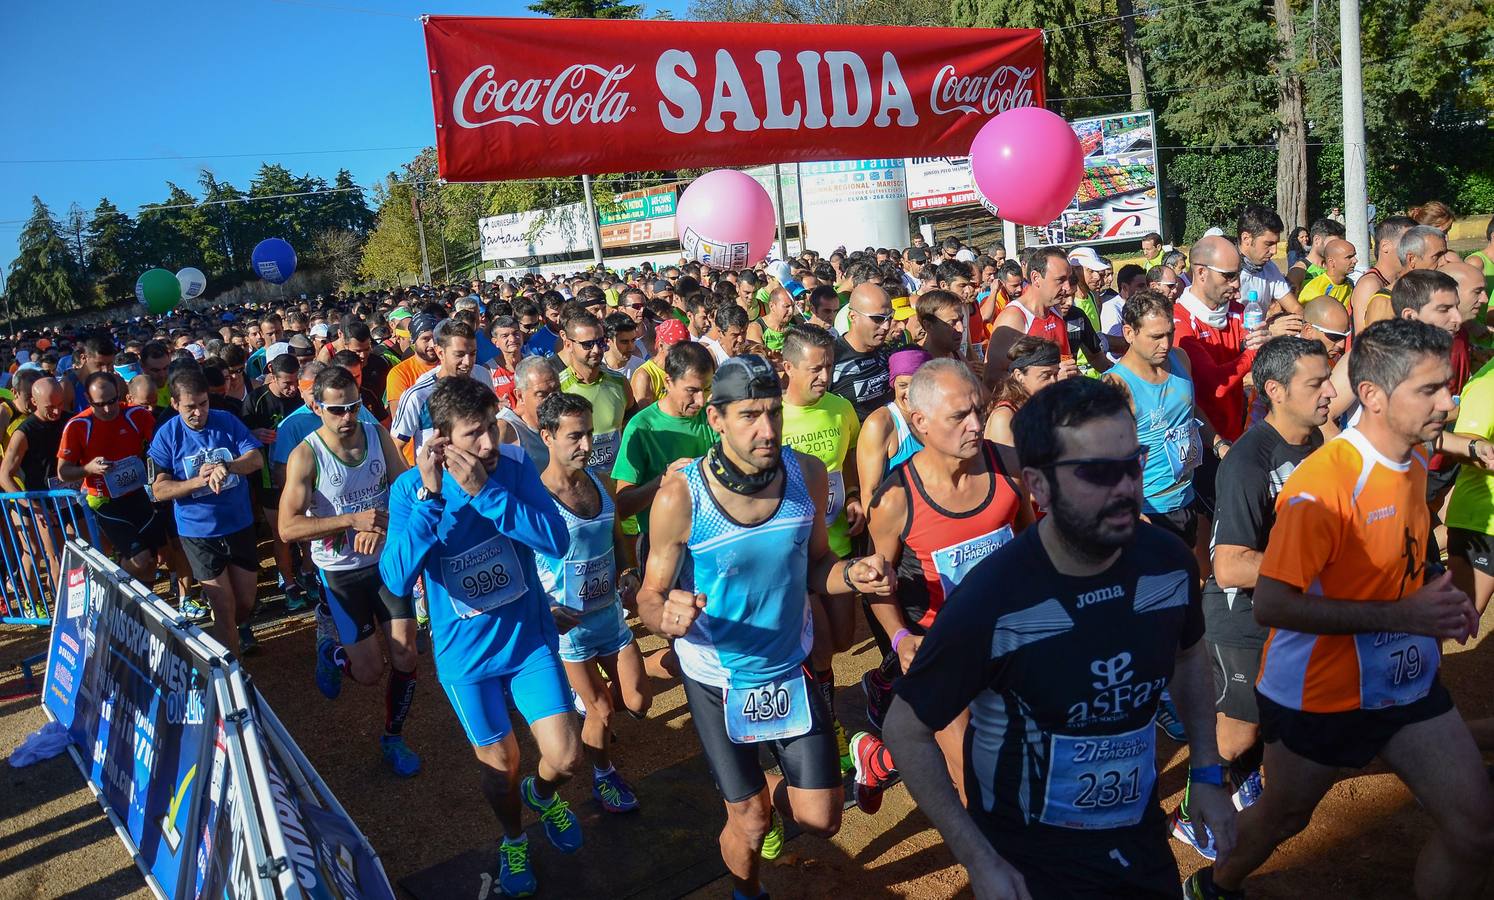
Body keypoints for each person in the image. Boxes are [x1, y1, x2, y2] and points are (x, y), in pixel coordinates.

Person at [884, 376, 1235, 900]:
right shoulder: (992, 599)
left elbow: (1188, 659)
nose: (1123, 488)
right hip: (1028, 859)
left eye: (1131, 462)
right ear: (1038, 486)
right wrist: (978, 858)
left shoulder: (1168, 563)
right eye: (1095, 472)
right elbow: (905, 729)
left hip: (1137, 836)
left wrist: (1206, 771)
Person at [1189, 317, 1494, 900]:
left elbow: (1395, 558)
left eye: (1445, 387)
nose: (1449, 402)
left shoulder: (1408, 461)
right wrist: (1403, 616)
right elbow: (1273, 603)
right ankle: (1214, 884)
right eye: (1429, 390)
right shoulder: (1323, 484)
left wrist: (1436, 588)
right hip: (1319, 694)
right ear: (1375, 397)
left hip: (1406, 682)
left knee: (1475, 829)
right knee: (1284, 818)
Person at [636, 355, 892, 900]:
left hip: (790, 669)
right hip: (717, 678)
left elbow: (819, 565)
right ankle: (747, 890)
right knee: (749, 822)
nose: (767, 429)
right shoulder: (683, 496)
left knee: (822, 819)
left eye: (773, 413)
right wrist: (664, 617)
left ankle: (765, 793)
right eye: (750, 414)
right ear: (717, 417)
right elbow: (649, 596)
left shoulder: (807, 474)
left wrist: (856, 573)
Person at [379, 376, 583, 899]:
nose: (490, 443)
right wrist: (429, 498)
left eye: (493, 426)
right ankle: (513, 838)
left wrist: (487, 495)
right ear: (441, 440)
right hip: (466, 661)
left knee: (563, 757)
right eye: (475, 434)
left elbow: (556, 541)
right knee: (501, 768)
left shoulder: (511, 468)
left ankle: (543, 795)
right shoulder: (409, 491)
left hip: (527, 644)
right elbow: (396, 579)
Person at [1167, 336, 1334, 861]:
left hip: (1286, 608)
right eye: (1317, 384)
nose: (1330, 391)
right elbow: (1230, 563)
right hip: (1240, 614)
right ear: (1276, 391)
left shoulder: (1314, 444)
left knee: (1269, 718)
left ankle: (1237, 780)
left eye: (1328, 379)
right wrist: (1315, 571)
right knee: (1234, 737)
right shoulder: (1249, 459)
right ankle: (1191, 816)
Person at [855, 359, 1034, 812]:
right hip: (941, 648)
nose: (976, 425)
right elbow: (879, 585)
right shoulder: (896, 499)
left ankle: (887, 756)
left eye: (978, 410)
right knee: (976, 782)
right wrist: (900, 639)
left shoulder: (1009, 466)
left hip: (1009, 640)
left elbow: (1036, 547)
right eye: (959, 416)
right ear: (920, 423)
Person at [277, 365, 421, 777]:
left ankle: (393, 737)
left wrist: (384, 524)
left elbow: (407, 493)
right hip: (340, 574)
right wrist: (350, 521)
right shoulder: (306, 454)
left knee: (406, 653)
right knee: (370, 673)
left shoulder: (377, 436)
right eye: (337, 410)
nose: (348, 418)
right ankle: (331, 651)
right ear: (316, 407)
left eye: (354, 407)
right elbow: (287, 528)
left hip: (386, 563)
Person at [532, 392, 650, 815]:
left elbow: (617, 539)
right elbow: (522, 566)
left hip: (610, 617)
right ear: (547, 436)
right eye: (574, 436)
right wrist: (542, 612)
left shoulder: (599, 481)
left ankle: (589, 716)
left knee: (636, 701)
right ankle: (604, 778)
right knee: (600, 708)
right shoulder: (537, 501)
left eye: (589, 434)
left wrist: (628, 572)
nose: (586, 445)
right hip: (570, 630)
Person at [147, 369, 265, 655]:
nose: (198, 412)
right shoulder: (167, 435)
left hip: (238, 523)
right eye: (190, 407)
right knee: (224, 606)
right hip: (199, 532)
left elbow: (256, 458)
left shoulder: (226, 422)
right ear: (175, 404)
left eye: (203, 404)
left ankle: (227, 635)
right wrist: (197, 481)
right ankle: (233, 675)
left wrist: (229, 466)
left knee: (245, 602)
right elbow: (158, 490)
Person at [1106, 290, 1202, 548]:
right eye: (1155, 337)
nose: (1166, 344)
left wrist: (1218, 443)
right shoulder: (1115, 385)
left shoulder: (1180, 359)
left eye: (1170, 333)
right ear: (1129, 334)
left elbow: (1192, 409)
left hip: (1188, 494)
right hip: (1150, 507)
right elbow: (1105, 459)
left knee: (1195, 579)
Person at [56, 372, 163, 583]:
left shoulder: (136, 415)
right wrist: (88, 468)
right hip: (104, 499)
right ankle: (114, 589)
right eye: (100, 404)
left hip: (138, 494)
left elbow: (161, 448)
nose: (108, 409)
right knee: (139, 559)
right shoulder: (79, 425)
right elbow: (63, 472)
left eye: (113, 401)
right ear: (88, 399)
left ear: (119, 394)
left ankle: (139, 611)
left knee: (150, 560)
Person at [612, 341, 717, 536]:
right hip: (659, 543)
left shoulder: (714, 417)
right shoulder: (641, 428)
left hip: (710, 539)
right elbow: (623, 506)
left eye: (707, 389)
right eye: (692, 391)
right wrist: (664, 479)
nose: (701, 401)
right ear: (668, 382)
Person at [391, 320, 493, 465]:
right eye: (459, 354)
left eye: (472, 354)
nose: (467, 362)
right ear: (440, 352)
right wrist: (416, 482)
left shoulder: (482, 376)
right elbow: (395, 445)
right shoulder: (418, 395)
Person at [557, 312, 633, 476]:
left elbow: (632, 429)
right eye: (587, 345)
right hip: (580, 485)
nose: (596, 350)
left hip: (615, 483)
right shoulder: (558, 388)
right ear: (568, 344)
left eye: (600, 342)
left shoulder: (620, 383)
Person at [853, 348, 929, 496]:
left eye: (918, 384)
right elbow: (870, 494)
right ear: (893, 384)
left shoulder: (938, 417)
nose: (910, 392)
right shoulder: (880, 424)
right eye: (903, 385)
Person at [829, 282, 895, 420]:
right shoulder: (831, 357)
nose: (886, 326)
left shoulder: (889, 351)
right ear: (853, 317)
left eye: (890, 317)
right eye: (878, 319)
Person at [985, 337, 1062, 446]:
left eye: (1056, 374)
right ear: (1019, 376)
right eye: (1046, 375)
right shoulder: (1005, 418)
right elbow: (1006, 462)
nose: (1054, 381)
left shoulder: (1045, 407)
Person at [1351, 216, 1418, 333]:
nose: (1416, 248)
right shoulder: (1370, 284)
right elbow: (1364, 341)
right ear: (1385, 246)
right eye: (1408, 243)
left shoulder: (1400, 280)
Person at [498, 356, 561, 473]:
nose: (553, 399)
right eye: (542, 394)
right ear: (520, 396)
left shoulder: (563, 418)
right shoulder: (505, 429)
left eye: (557, 390)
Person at [1235, 205, 1300, 316]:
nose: (1274, 251)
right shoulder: (1226, 274)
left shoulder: (1269, 267)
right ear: (1246, 238)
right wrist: (1269, 329)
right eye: (1268, 244)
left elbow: (1295, 308)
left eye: (1276, 244)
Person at [384, 310, 441, 413]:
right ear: (413, 341)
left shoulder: (448, 364)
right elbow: (399, 420)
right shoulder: (399, 374)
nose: (432, 344)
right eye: (426, 339)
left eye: (435, 338)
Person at [628, 318, 689, 408]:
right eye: (676, 348)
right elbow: (643, 417)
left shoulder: (685, 370)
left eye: (686, 348)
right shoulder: (645, 376)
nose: (682, 353)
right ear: (661, 345)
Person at [1286, 218, 1347, 294]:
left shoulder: (1336, 268)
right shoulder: (1298, 271)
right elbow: (1290, 304)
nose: (1336, 248)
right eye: (1332, 243)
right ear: (1317, 240)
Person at [1297, 238, 1358, 308]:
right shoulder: (1315, 291)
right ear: (1331, 262)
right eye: (1349, 257)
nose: (1355, 260)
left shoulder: (1349, 284)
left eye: (1354, 256)